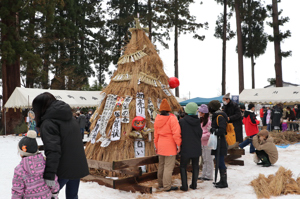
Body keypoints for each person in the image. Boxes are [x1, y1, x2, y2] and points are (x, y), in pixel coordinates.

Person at [32, 92, 89, 199]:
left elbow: (53, 150)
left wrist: (49, 175)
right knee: (72, 196)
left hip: (63, 169)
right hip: (77, 165)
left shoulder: (48, 123)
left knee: (47, 196)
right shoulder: (70, 118)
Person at [12, 130, 59, 199]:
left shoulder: (19, 170)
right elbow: (52, 180)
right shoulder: (45, 164)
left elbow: (17, 191)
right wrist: (54, 193)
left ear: (21, 153)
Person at [154, 98, 181, 192]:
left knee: (161, 165)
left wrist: (156, 146)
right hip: (170, 145)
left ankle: (161, 184)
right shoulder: (172, 118)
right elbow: (176, 133)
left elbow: (155, 135)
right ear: (169, 109)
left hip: (160, 144)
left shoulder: (157, 119)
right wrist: (178, 144)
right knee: (168, 167)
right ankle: (167, 186)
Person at [179, 102, 202, 191]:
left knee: (183, 166)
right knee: (195, 166)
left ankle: (184, 186)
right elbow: (200, 133)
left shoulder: (182, 121)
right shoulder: (198, 121)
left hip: (185, 147)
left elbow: (179, 134)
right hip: (196, 146)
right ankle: (194, 184)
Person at [208, 100, 228, 189]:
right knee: (218, 161)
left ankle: (224, 182)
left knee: (220, 161)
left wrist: (212, 130)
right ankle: (222, 180)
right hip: (217, 142)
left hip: (221, 142)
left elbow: (222, 130)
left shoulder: (220, 117)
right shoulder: (217, 116)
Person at [197, 104, 213, 181]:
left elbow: (210, 133)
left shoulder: (209, 121)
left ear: (203, 113)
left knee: (208, 159)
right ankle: (204, 174)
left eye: (200, 111)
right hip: (202, 143)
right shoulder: (201, 120)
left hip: (208, 143)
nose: (198, 113)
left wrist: (201, 136)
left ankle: (209, 175)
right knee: (204, 159)